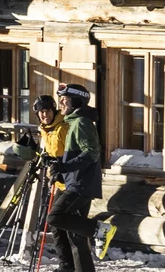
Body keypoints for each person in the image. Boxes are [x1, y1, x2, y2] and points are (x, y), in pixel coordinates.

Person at [47, 84, 114, 272]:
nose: (60, 103)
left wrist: (66, 166)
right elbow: (76, 154)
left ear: (76, 101)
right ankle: (70, 268)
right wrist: (61, 169)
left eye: (64, 99)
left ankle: (99, 229)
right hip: (74, 181)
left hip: (81, 184)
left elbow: (92, 153)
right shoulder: (74, 122)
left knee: (55, 217)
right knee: (74, 233)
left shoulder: (81, 122)